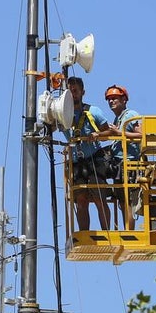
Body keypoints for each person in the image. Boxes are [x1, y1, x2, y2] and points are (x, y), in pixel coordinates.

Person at [62, 77, 115, 231]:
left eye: (76, 91)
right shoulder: (62, 114)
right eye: (70, 92)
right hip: (77, 162)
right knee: (81, 199)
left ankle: (106, 232)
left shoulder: (93, 111)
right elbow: (50, 126)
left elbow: (109, 131)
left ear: (82, 92)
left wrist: (98, 135)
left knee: (99, 197)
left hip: (94, 159)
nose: (73, 95)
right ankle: (84, 233)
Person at [99, 84, 143, 229]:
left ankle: (129, 232)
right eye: (109, 99)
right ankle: (125, 229)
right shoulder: (119, 118)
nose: (111, 101)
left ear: (124, 100)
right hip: (119, 163)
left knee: (126, 201)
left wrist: (118, 133)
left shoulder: (131, 115)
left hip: (128, 163)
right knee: (121, 200)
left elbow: (141, 134)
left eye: (114, 98)